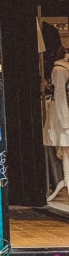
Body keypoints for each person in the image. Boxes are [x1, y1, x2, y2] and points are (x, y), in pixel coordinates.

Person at [43, 46, 69, 201]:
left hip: (63, 115)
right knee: (65, 151)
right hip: (63, 117)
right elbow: (59, 97)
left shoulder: (61, 70)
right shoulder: (60, 71)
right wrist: (64, 121)